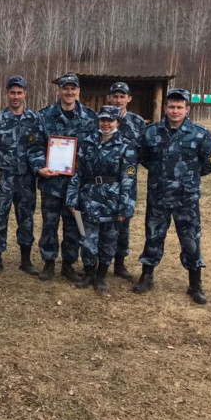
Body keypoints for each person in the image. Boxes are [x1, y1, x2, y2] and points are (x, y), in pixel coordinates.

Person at [133, 88, 211, 304]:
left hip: (186, 199)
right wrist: (159, 174)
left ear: (187, 109)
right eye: (171, 106)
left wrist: (190, 177)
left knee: (191, 240)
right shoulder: (151, 132)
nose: (175, 111)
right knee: (153, 237)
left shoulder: (200, 133)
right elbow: (143, 156)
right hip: (158, 197)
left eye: (179, 107)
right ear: (165, 108)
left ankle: (195, 284)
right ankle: (147, 276)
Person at [31, 73, 97, 282]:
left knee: (74, 224)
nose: (69, 92)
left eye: (73, 88)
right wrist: (40, 167)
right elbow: (34, 147)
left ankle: (69, 264)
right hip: (51, 182)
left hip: (77, 185)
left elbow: (94, 149)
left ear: (78, 91)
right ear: (58, 90)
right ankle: (49, 263)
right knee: (49, 223)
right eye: (65, 88)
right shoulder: (44, 115)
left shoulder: (91, 117)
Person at [66, 106, 138, 293]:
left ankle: (102, 276)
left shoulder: (125, 145)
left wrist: (126, 207)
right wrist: (72, 199)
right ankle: (89, 273)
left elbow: (129, 178)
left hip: (112, 202)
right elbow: (77, 172)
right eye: (103, 119)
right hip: (88, 200)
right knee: (87, 240)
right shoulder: (88, 142)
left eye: (110, 120)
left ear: (118, 122)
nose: (106, 124)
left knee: (109, 241)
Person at [0, 75, 41, 275]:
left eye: (19, 92)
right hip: (3, 178)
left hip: (26, 179)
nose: (16, 96)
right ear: (7, 94)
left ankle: (25, 259)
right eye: (12, 92)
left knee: (26, 218)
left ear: (25, 94)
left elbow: (41, 147)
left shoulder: (34, 119)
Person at [107, 81, 146, 281]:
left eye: (123, 96)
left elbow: (145, 151)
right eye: (115, 96)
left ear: (129, 99)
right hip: (104, 182)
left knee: (124, 222)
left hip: (126, 182)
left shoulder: (138, 122)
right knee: (103, 222)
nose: (118, 100)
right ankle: (100, 262)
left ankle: (120, 264)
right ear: (109, 98)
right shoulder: (103, 120)